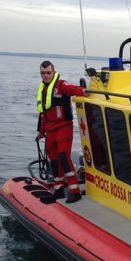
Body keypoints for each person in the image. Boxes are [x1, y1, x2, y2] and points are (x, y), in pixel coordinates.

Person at [36, 61, 87, 203]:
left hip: (63, 126)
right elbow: (43, 113)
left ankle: (75, 191)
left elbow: (72, 89)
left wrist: (83, 91)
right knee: (53, 159)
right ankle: (58, 190)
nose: (45, 76)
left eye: (48, 73)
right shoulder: (43, 89)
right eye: (43, 73)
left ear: (53, 72)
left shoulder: (61, 85)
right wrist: (41, 131)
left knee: (64, 156)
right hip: (50, 129)